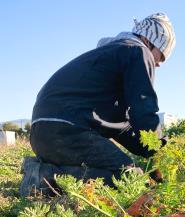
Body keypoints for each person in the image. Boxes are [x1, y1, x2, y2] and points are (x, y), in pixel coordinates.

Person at [19, 13, 175, 196]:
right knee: (129, 178)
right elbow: (143, 108)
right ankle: (42, 179)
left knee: (128, 172)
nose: (158, 64)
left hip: (43, 133)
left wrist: (151, 152)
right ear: (149, 42)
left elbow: (122, 128)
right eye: (161, 56)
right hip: (66, 130)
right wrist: (158, 146)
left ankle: (43, 171)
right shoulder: (138, 51)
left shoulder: (111, 58)